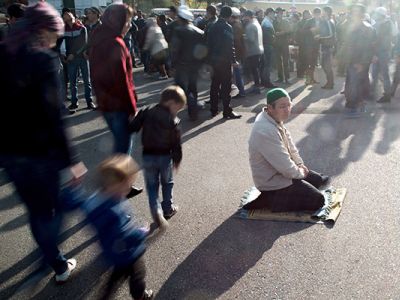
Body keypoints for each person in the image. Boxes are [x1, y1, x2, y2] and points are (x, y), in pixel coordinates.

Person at [0, 1, 87, 283]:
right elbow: (54, 116)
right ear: (43, 31)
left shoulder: (4, 51)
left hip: (11, 152)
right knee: (50, 210)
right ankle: (55, 262)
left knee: (35, 210)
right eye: (55, 34)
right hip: (40, 152)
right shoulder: (44, 59)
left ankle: (52, 259)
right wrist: (72, 160)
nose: (56, 41)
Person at [89, 3, 142, 198]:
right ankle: (117, 188)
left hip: (106, 103)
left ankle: (119, 185)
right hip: (118, 105)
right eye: (127, 21)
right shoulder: (115, 43)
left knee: (119, 146)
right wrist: (131, 107)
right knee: (122, 149)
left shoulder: (98, 37)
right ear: (118, 20)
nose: (129, 25)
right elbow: (122, 81)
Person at [82, 155, 153, 300]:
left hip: (111, 251)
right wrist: (140, 233)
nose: (128, 189)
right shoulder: (113, 210)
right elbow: (124, 235)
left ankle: (104, 297)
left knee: (115, 278)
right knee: (138, 274)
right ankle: (140, 296)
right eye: (127, 185)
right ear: (116, 186)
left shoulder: (97, 201)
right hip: (128, 252)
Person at [247, 88, 330, 212]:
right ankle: (269, 199)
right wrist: (301, 174)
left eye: (289, 105)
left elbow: (291, 147)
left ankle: (281, 195)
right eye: (282, 106)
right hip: (272, 182)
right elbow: (285, 167)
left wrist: (300, 164)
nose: (287, 110)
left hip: (282, 172)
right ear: (270, 107)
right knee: (318, 200)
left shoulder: (272, 117)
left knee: (320, 180)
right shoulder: (264, 130)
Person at [129, 86, 186, 229]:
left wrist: (132, 118)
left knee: (152, 186)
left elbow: (133, 127)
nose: (176, 112)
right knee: (167, 183)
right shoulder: (172, 120)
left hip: (148, 156)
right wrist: (177, 159)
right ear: (171, 103)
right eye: (177, 108)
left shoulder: (146, 112)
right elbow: (176, 143)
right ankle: (167, 208)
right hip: (165, 157)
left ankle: (156, 211)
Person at [171, 6, 205, 121]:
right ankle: (193, 112)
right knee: (192, 89)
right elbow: (203, 50)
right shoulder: (199, 32)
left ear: (181, 19)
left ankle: (174, 115)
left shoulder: (178, 31)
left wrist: (172, 65)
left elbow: (175, 49)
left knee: (178, 92)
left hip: (182, 66)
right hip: (195, 66)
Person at [207, 6, 242, 119]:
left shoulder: (212, 26)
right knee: (226, 87)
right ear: (229, 15)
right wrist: (233, 60)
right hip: (224, 61)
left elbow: (208, 44)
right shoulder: (227, 27)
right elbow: (230, 46)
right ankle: (227, 111)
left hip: (213, 61)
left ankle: (213, 110)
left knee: (214, 85)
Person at [343, 4, 376, 116]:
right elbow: (345, 44)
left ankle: (354, 107)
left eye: (357, 12)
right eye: (353, 12)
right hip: (351, 61)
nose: (354, 15)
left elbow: (370, 47)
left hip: (361, 62)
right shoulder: (349, 27)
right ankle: (357, 104)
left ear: (362, 14)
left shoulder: (368, 28)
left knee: (357, 84)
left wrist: (363, 63)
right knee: (352, 83)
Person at [62, 10, 95, 111]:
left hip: (82, 58)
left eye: (69, 13)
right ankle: (74, 102)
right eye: (64, 14)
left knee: (87, 81)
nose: (67, 15)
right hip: (70, 60)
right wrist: (63, 55)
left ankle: (89, 102)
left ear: (73, 16)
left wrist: (74, 54)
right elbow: (62, 45)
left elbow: (84, 43)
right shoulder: (63, 30)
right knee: (72, 82)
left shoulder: (82, 28)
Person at [371, 7, 393, 103]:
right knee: (377, 74)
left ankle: (386, 95)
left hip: (380, 53)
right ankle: (373, 92)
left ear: (380, 15)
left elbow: (377, 41)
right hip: (385, 52)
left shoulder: (380, 25)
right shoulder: (389, 23)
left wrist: (375, 54)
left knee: (381, 74)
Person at [243, 10, 264, 94]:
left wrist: (243, 37)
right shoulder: (257, 23)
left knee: (254, 70)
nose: (244, 18)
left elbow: (251, 39)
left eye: (245, 16)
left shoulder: (250, 25)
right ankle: (257, 86)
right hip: (259, 49)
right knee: (256, 69)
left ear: (248, 16)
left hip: (253, 50)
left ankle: (256, 87)